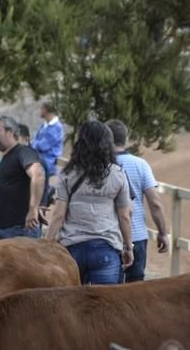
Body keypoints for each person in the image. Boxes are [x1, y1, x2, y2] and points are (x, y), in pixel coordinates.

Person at [45, 120, 133, 285]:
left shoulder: (67, 174)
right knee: (103, 306)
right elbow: (124, 217)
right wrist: (128, 247)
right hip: (106, 249)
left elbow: (58, 215)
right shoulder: (118, 174)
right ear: (108, 143)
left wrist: (45, 244)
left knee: (73, 306)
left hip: (72, 251)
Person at [107, 119, 169, 282]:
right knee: (134, 291)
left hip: (106, 236)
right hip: (136, 236)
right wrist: (162, 233)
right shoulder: (140, 164)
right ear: (126, 139)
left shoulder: (99, 165)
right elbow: (154, 202)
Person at [0, 115, 45, 240]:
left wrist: (33, 209)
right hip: (2, 231)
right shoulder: (6, 158)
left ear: (10, 132)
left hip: (20, 231)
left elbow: (38, 174)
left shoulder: (23, 152)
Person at [32, 101, 64, 205]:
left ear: (46, 110)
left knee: (41, 193)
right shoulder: (44, 125)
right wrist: (35, 144)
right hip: (39, 159)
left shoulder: (57, 127)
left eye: (41, 109)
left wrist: (35, 144)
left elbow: (42, 145)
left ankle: (48, 194)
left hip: (48, 162)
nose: (40, 111)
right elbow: (34, 142)